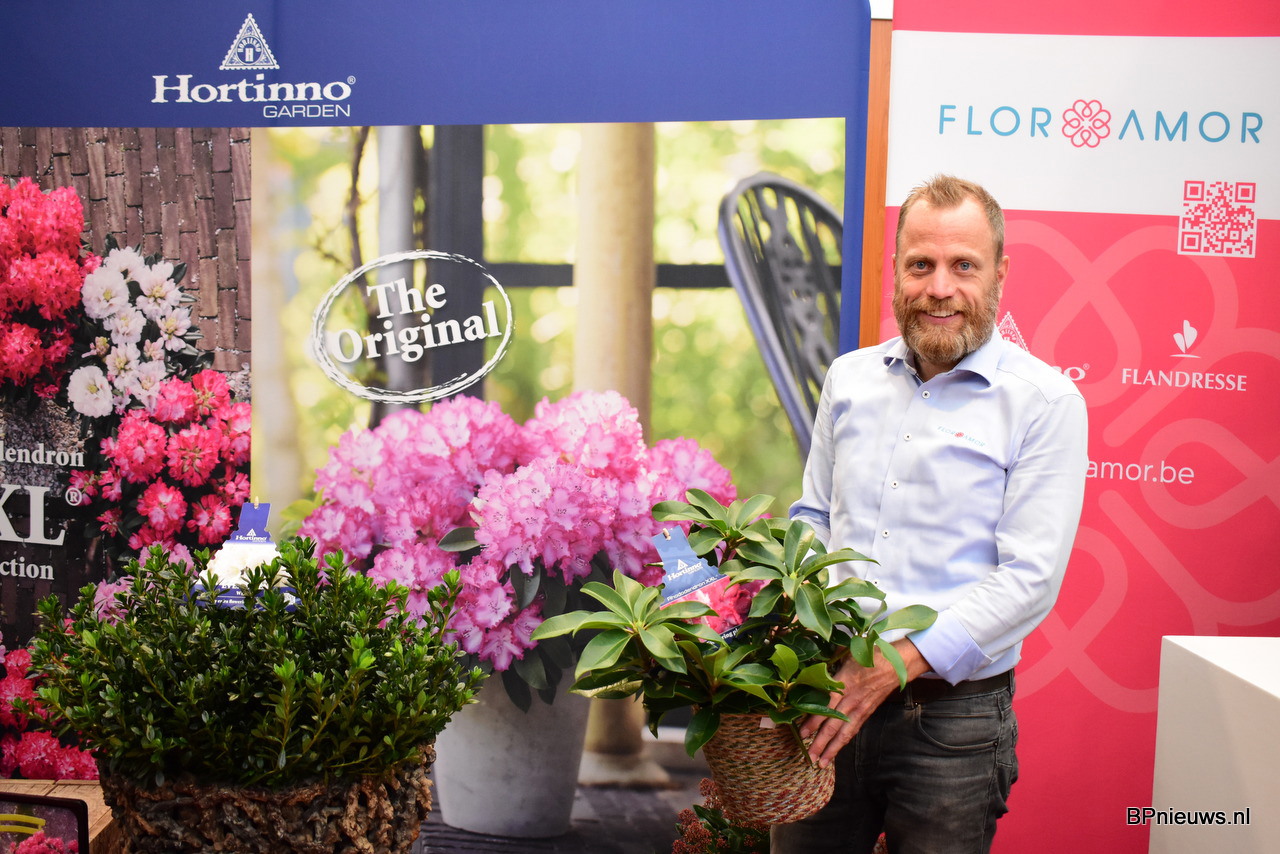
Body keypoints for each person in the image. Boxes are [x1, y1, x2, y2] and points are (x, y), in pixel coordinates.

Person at [772, 175, 1088, 854]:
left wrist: (892, 664)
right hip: (825, 694)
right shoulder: (849, 379)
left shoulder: (1044, 402)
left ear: (1000, 273)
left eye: (963, 266)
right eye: (921, 265)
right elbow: (813, 517)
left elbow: (1029, 579)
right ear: (895, 270)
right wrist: (793, 622)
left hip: (953, 723)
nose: (939, 288)